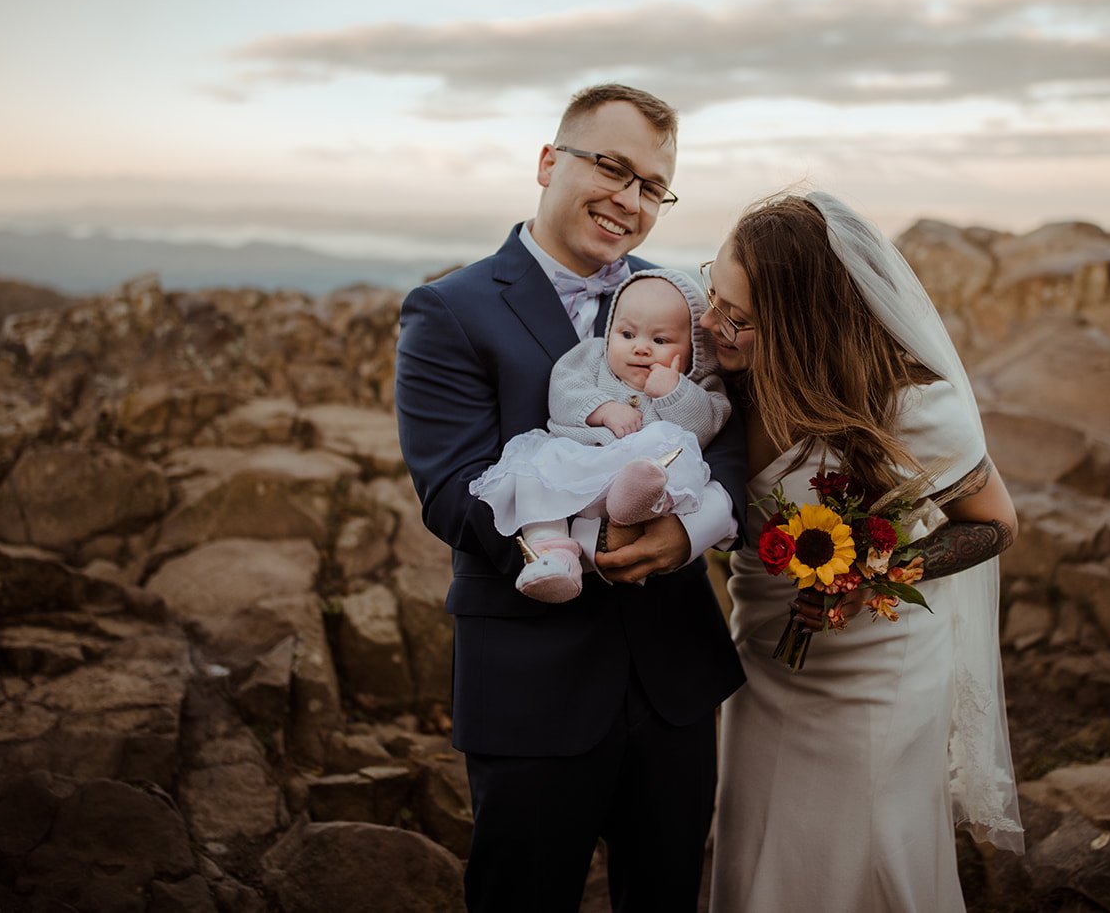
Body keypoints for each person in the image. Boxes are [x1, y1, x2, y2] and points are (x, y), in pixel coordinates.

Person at [394, 83, 746, 913]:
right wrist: (589, 531)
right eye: (612, 169)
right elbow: (450, 491)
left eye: (652, 186)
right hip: (531, 677)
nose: (630, 200)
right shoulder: (450, 309)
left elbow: (732, 436)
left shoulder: (685, 304)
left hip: (673, 673)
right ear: (550, 162)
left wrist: (687, 534)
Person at [702, 191, 1024, 913]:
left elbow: (996, 523)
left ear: (800, 328)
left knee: (867, 855)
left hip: (876, 673)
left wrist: (880, 571)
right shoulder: (721, 375)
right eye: (711, 291)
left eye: (738, 316)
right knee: (758, 847)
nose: (709, 322)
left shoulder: (908, 404)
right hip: (762, 661)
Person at [468, 268, 731, 603]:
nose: (640, 349)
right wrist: (602, 409)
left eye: (660, 340)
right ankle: (553, 555)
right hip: (580, 465)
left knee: (671, 445)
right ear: (610, 332)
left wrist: (674, 391)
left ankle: (635, 501)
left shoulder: (701, 386)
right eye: (627, 334)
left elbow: (706, 427)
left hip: (639, 481)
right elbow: (564, 389)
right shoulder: (592, 357)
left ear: (695, 349)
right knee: (533, 471)